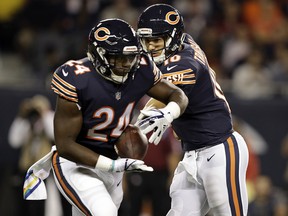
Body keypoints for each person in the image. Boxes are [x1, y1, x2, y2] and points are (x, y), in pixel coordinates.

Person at [49, 18, 188, 216]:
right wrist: (113, 165)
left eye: (130, 57)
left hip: (114, 166)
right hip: (76, 164)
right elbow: (65, 145)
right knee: (105, 212)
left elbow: (178, 95)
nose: (126, 64)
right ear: (99, 55)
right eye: (118, 58)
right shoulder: (76, 77)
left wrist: (168, 113)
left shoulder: (141, 68)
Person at [136, 4, 249, 216]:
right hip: (191, 155)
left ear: (172, 38)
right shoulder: (185, 41)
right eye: (146, 40)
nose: (150, 47)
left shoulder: (184, 63)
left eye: (156, 40)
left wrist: (138, 124)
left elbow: (163, 97)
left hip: (219, 150)